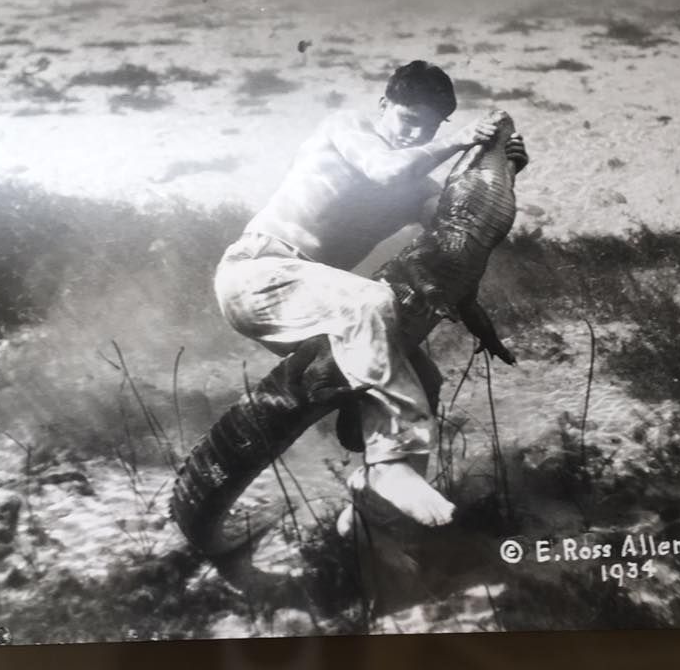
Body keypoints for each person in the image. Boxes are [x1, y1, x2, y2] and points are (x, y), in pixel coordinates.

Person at [214, 60, 528, 529]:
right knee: (371, 301)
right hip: (257, 274)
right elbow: (383, 170)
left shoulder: (417, 185)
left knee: (424, 379)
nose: (413, 134)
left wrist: (504, 166)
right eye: (406, 119)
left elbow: (457, 238)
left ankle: (371, 505)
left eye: (428, 127)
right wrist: (459, 138)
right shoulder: (348, 129)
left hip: (316, 305)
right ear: (384, 104)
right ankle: (388, 466)